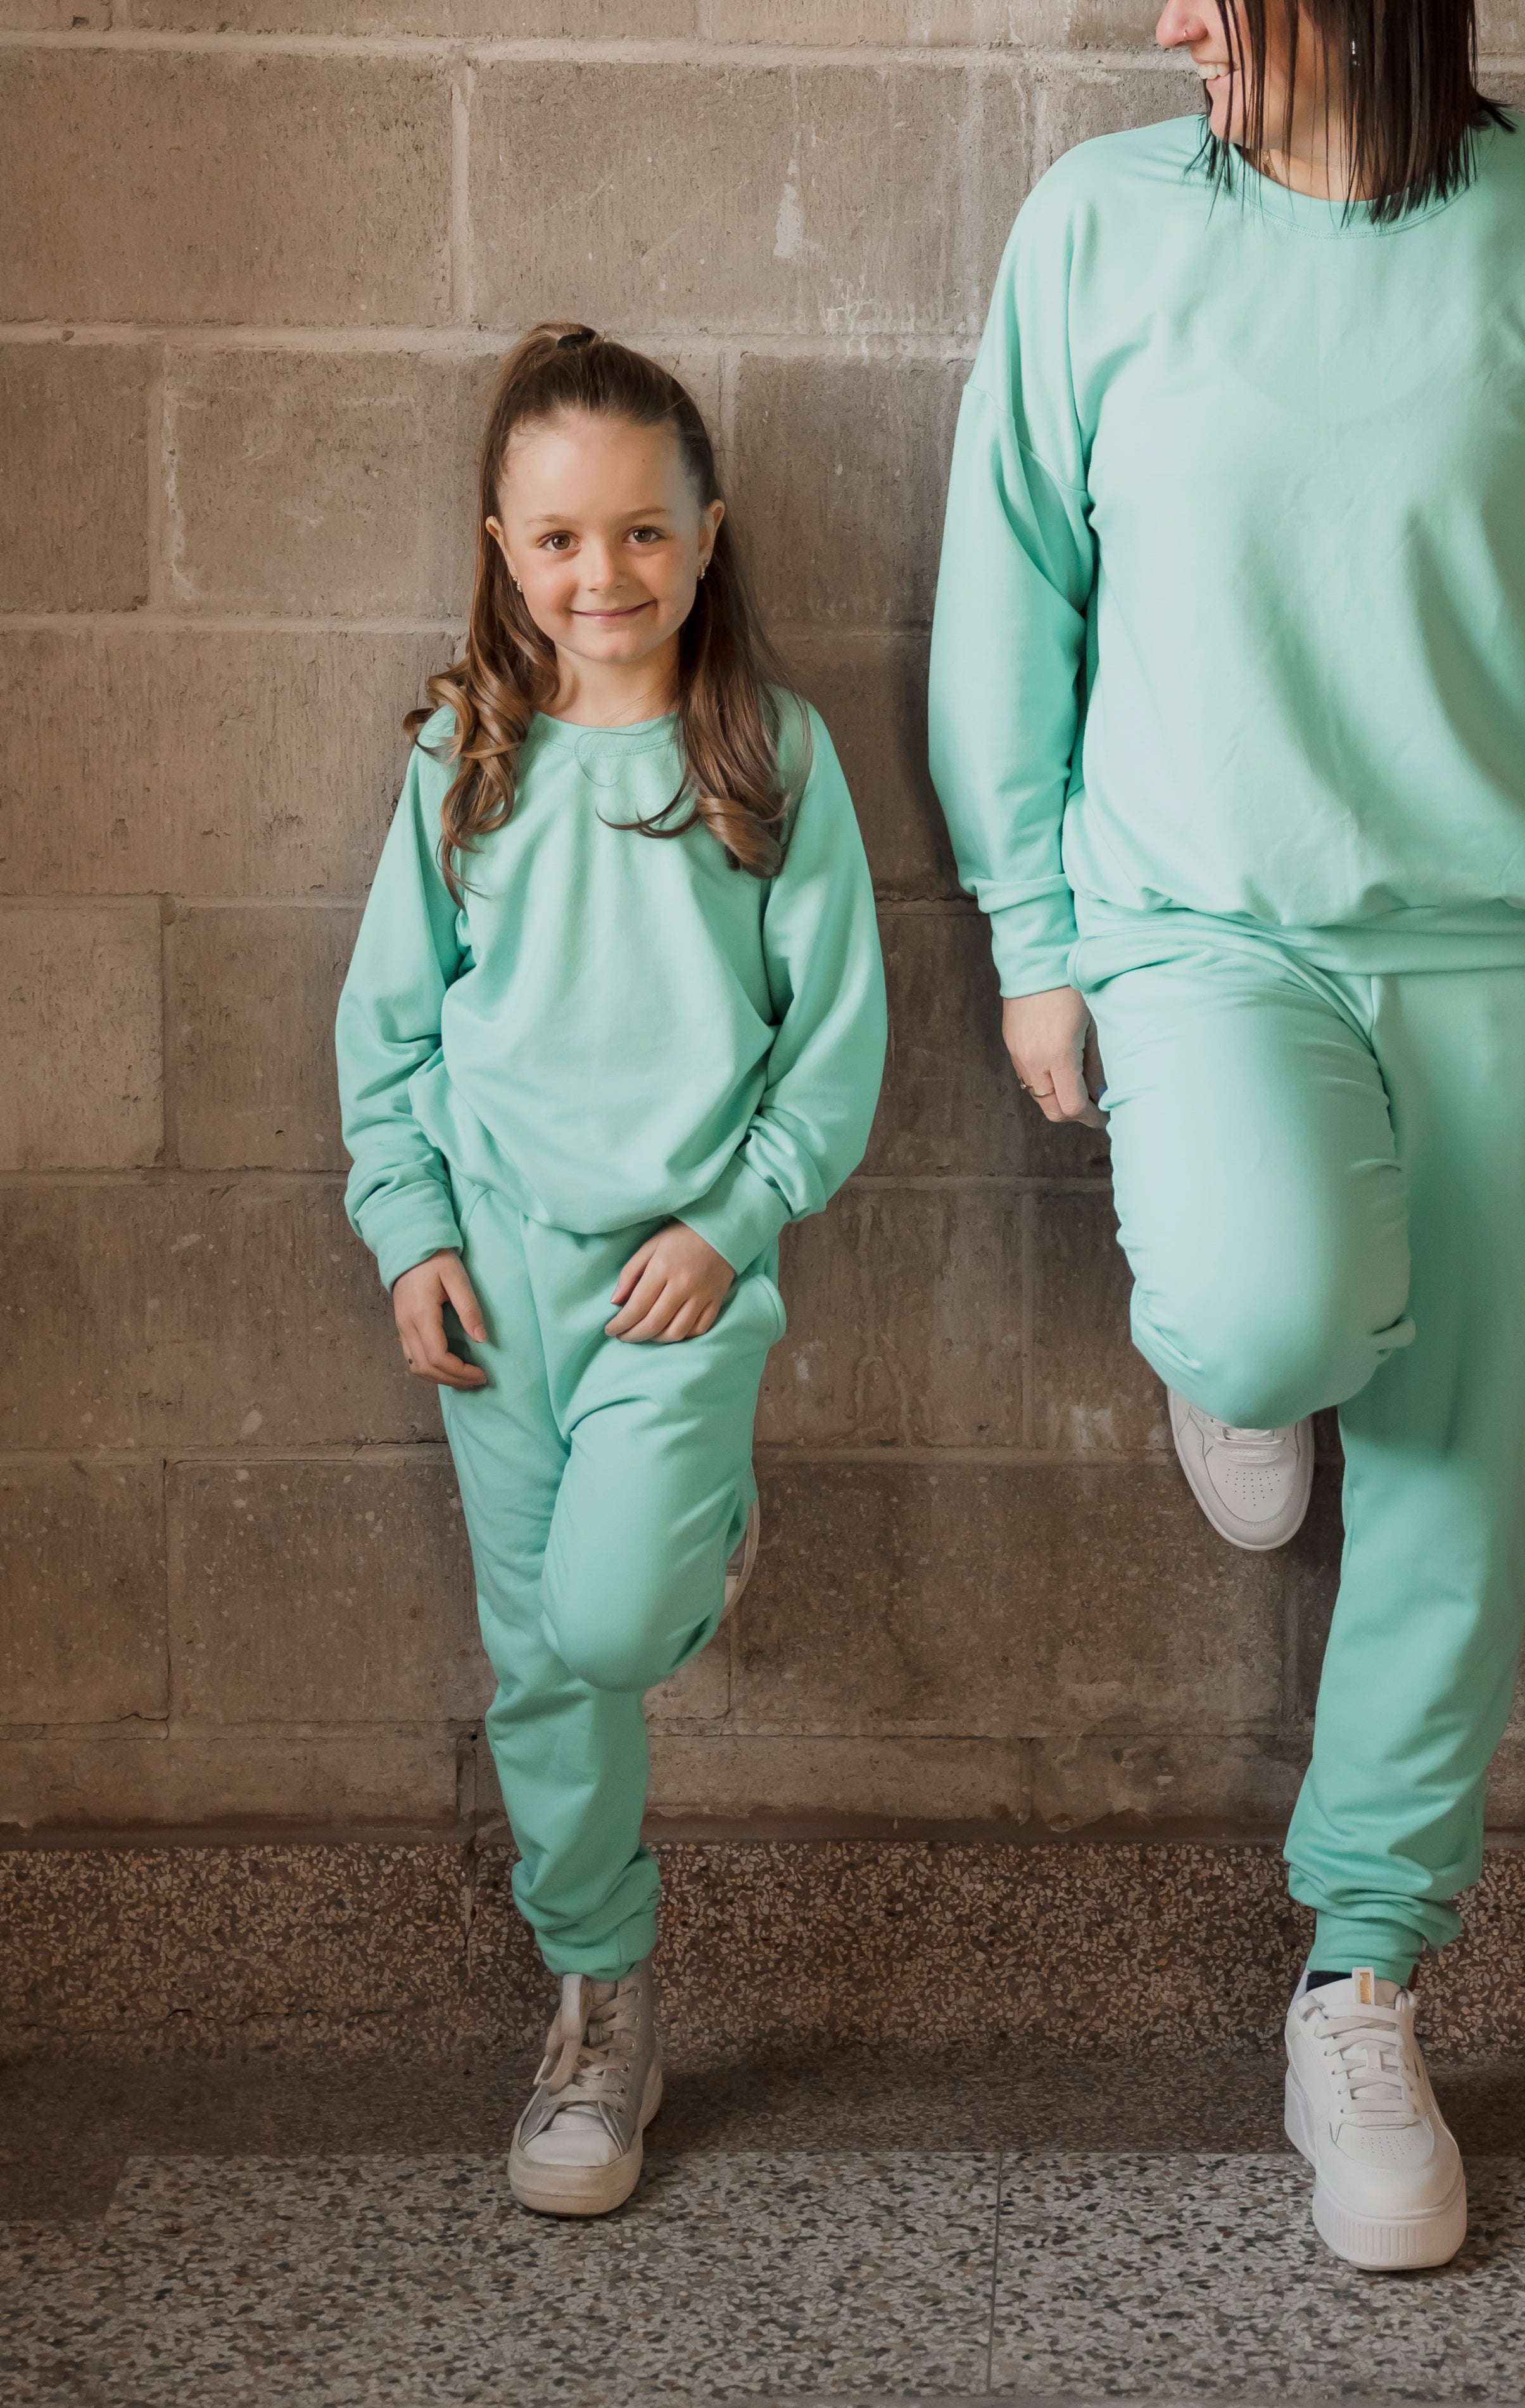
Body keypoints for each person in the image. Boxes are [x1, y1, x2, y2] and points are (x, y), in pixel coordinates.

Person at [927, 0, 1525, 2271]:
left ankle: (1363, 1983)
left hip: (1507, 946)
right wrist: (1035, 931)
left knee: (1459, 1487)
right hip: (1202, 929)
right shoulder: (1100, 231)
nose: (1173, 25)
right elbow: (1008, 590)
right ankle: (1245, 1354)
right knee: (1275, 1310)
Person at [336, 324, 887, 2217]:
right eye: (562, 537)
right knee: (544, 1664)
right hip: (500, 1286)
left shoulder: (769, 759)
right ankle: (601, 1995)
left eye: (644, 532)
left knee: (620, 1623)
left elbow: (835, 1047)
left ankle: (700, 1505)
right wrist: (410, 1231)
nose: (605, 575)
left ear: (708, 534)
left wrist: (734, 1223)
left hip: (682, 1281)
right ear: (504, 547)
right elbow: (388, 1035)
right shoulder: (461, 762)